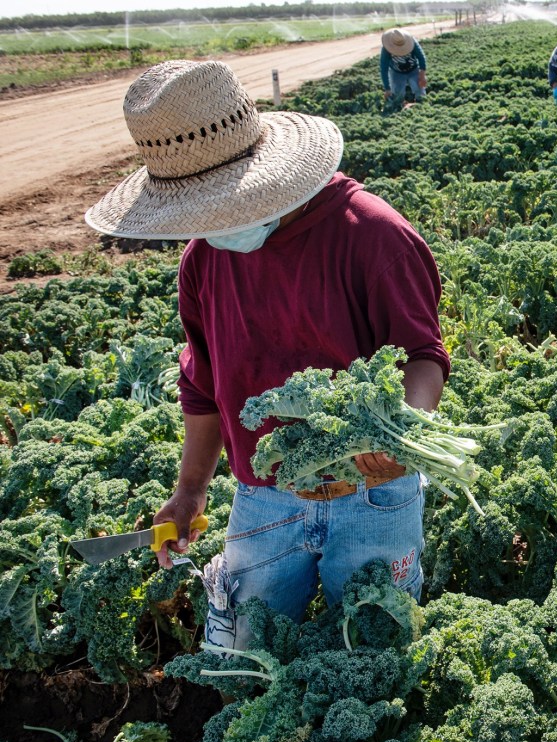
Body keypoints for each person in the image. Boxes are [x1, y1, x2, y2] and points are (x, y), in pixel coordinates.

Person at [84, 60, 450, 650]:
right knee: (239, 652)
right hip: (263, 495)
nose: (211, 228)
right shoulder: (204, 262)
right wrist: (190, 490)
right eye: (197, 215)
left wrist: (401, 431)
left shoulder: (373, 236)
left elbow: (423, 356)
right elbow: (202, 384)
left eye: (221, 207)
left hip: (371, 497)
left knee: (374, 656)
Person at [380, 27, 427, 110]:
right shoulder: (386, 49)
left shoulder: (412, 43)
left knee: (420, 92)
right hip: (396, 72)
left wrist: (422, 75)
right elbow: (384, 69)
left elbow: (421, 57)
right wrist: (387, 88)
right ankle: (400, 108)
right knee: (397, 96)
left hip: (413, 70)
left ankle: (421, 107)